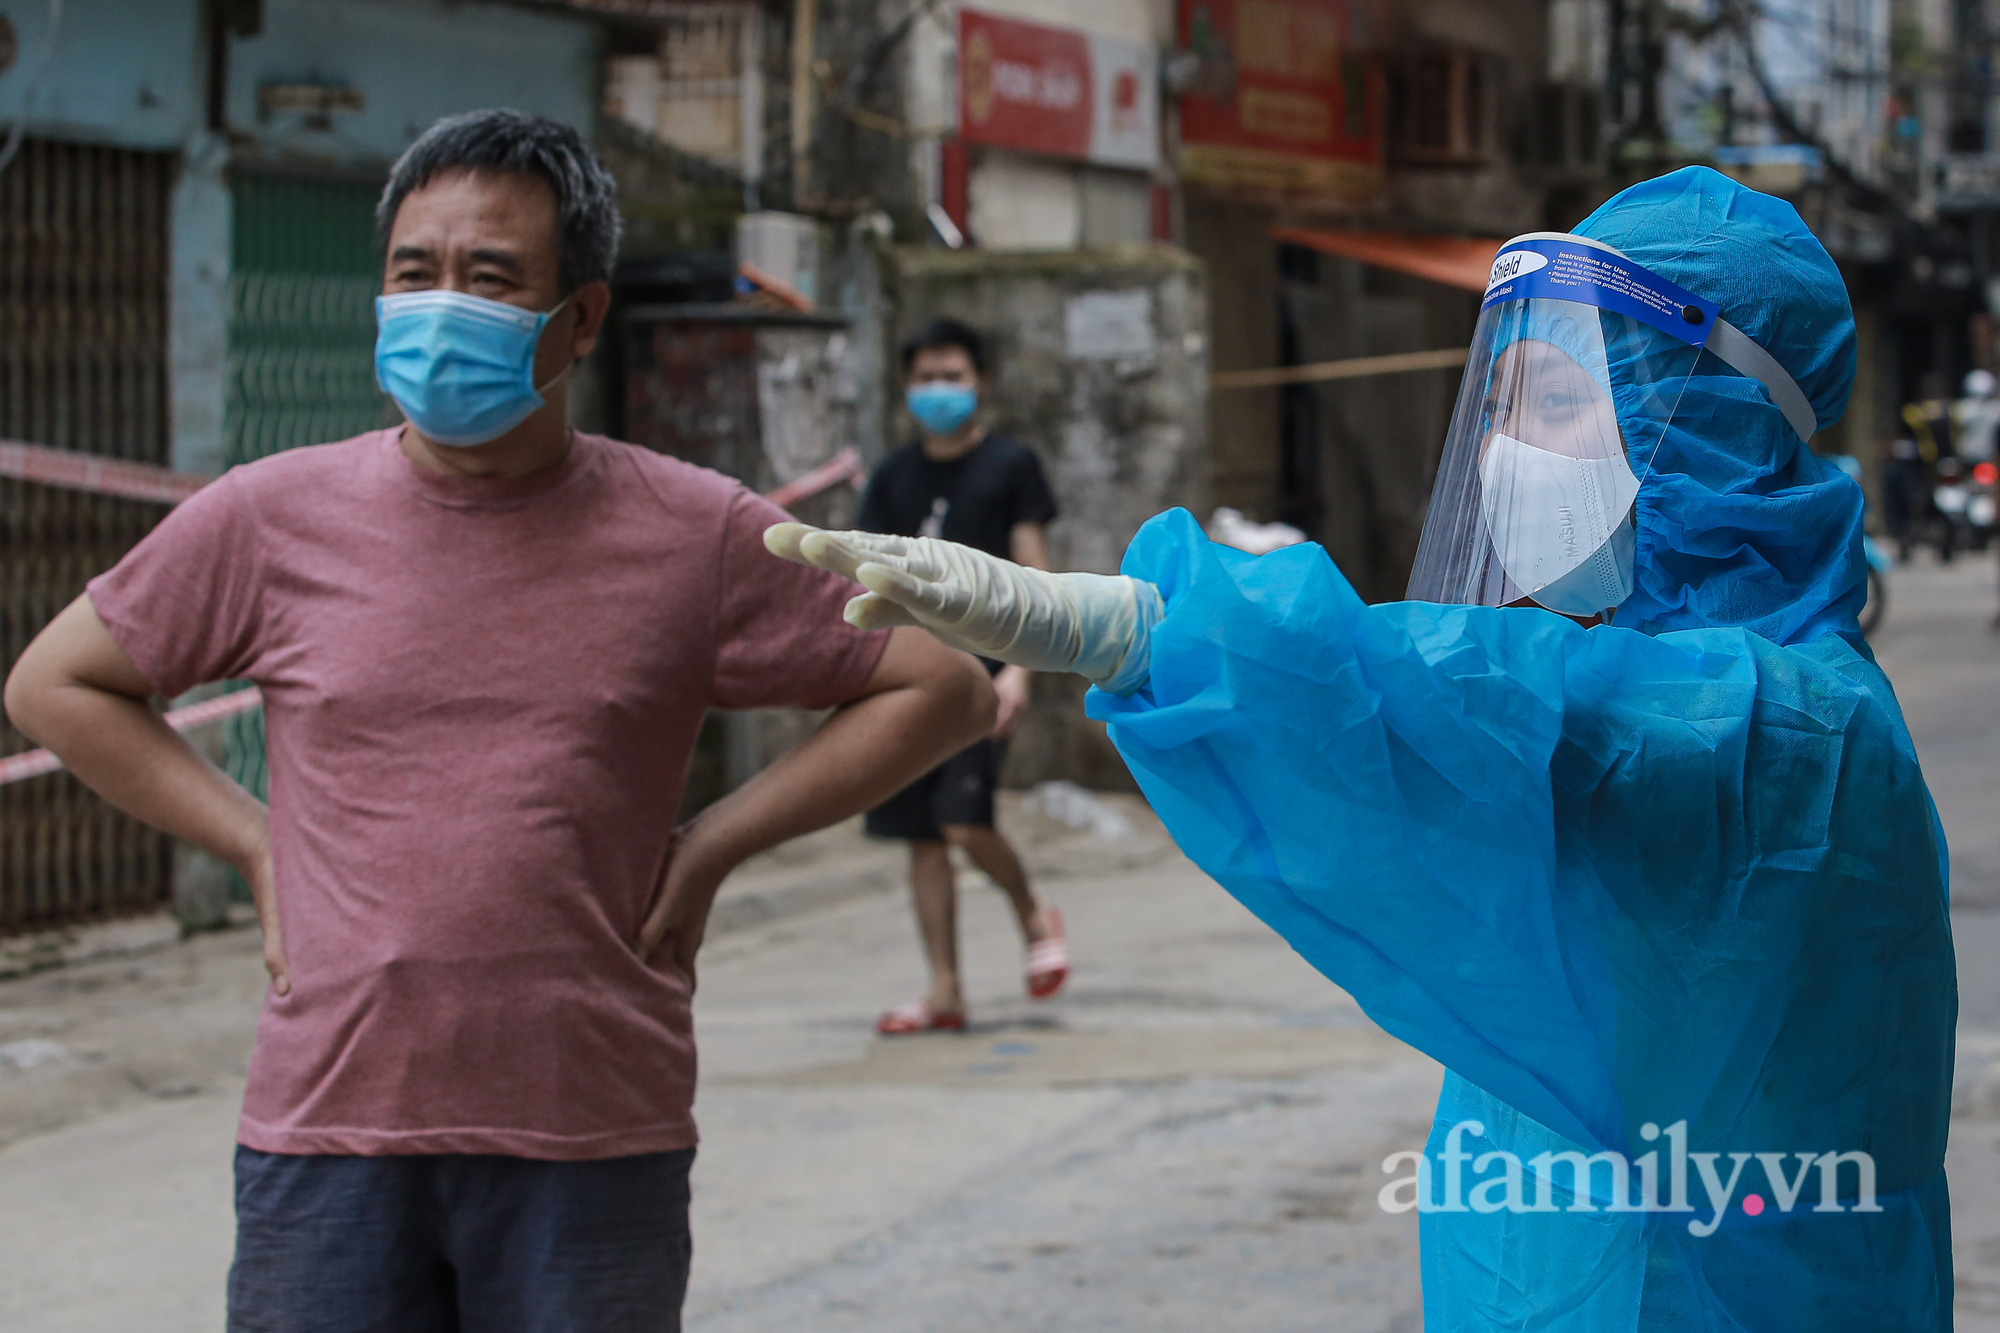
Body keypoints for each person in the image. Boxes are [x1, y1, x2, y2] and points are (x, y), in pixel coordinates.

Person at [769, 167, 1954, 1329]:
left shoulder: (1796, 727)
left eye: (1547, 402)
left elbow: (1483, 699)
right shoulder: (1666, 680)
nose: (1502, 447)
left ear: (1701, 418)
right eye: (1499, 404)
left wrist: (1130, 628)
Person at [3, 110, 995, 1333]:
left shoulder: (696, 533)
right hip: (331, 1134)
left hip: (590, 1137)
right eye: (413, 274)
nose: (439, 308)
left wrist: (714, 843)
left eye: (489, 278)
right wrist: (258, 846)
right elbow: (55, 684)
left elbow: (937, 686)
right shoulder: (269, 518)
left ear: (578, 318)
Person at [853, 317, 1067, 1034]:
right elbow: (868, 575)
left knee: (963, 821)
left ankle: (1033, 911)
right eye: (925, 378)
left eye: (953, 375)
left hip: (982, 679)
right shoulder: (892, 477)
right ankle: (944, 990)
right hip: (909, 677)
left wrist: (1019, 671)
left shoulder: (1011, 466)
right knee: (920, 837)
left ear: (982, 383)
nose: (938, 390)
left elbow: (1033, 569)